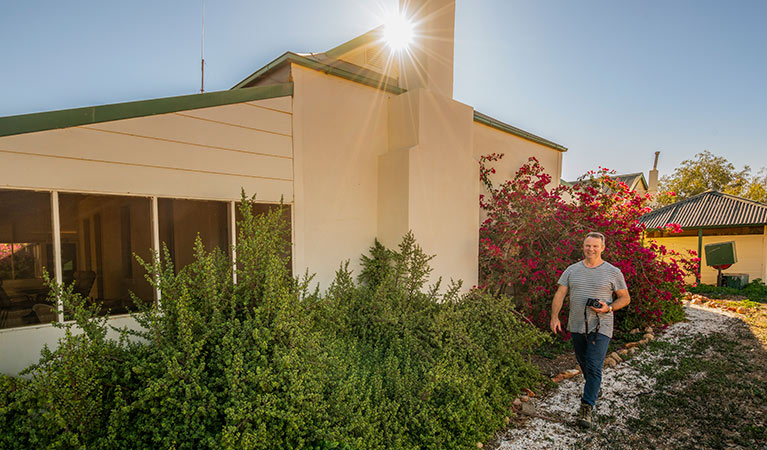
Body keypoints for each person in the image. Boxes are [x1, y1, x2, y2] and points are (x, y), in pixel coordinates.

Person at [549, 231, 630, 429]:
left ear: (602, 248)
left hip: (601, 326)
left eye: (595, 246)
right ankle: (593, 388)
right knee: (584, 362)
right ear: (583, 247)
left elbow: (625, 298)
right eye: (588, 245)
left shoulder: (613, 271)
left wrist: (609, 307)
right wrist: (554, 316)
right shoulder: (571, 270)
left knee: (594, 365)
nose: (591, 249)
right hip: (577, 324)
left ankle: (587, 407)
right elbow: (560, 294)